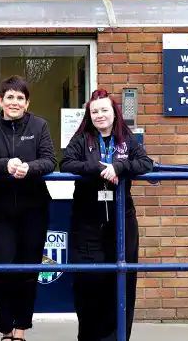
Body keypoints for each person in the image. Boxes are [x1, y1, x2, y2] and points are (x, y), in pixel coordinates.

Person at [60, 88, 153, 341]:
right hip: (86, 222)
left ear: (114, 113)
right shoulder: (82, 139)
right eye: (94, 111)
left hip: (122, 222)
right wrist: (98, 168)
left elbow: (145, 163)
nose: (100, 115)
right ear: (89, 116)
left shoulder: (126, 139)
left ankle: (118, 337)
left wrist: (120, 167)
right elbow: (66, 163)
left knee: (121, 282)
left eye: (104, 110)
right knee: (89, 283)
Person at [0, 75, 57, 341]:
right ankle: (6, 330)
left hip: (33, 208)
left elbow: (50, 161)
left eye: (20, 98)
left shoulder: (39, 125)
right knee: (3, 269)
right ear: (1, 100)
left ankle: (20, 330)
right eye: (9, 97)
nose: (14, 102)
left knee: (28, 271)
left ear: (27, 102)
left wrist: (29, 168)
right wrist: (5, 166)